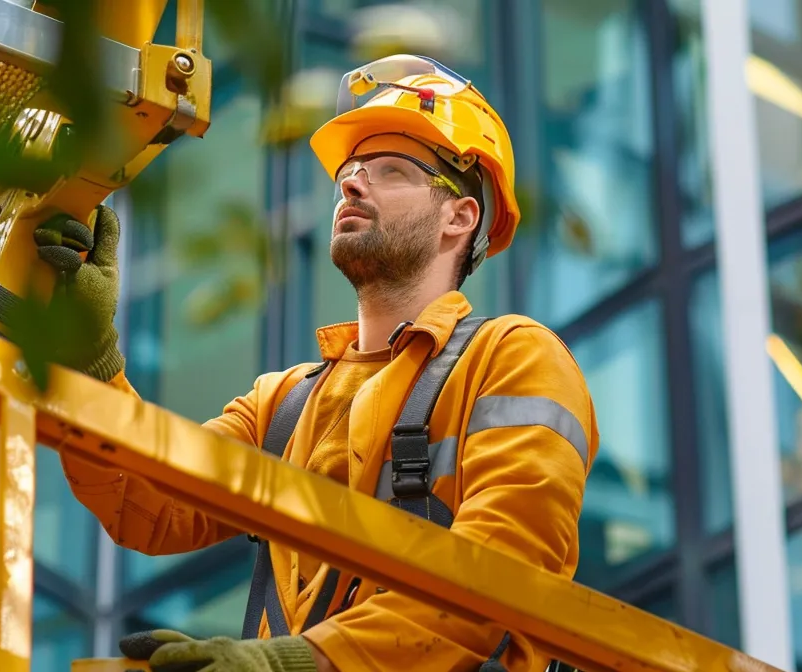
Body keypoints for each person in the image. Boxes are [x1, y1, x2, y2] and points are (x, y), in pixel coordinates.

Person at [36, 54, 598, 672]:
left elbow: (504, 571)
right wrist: (89, 359)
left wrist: (291, 663)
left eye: (390, 170)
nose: (352, 183)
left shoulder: (511, 358)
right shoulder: (285, 405)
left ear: (458, 217)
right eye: (350, 172)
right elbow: (145, 504)